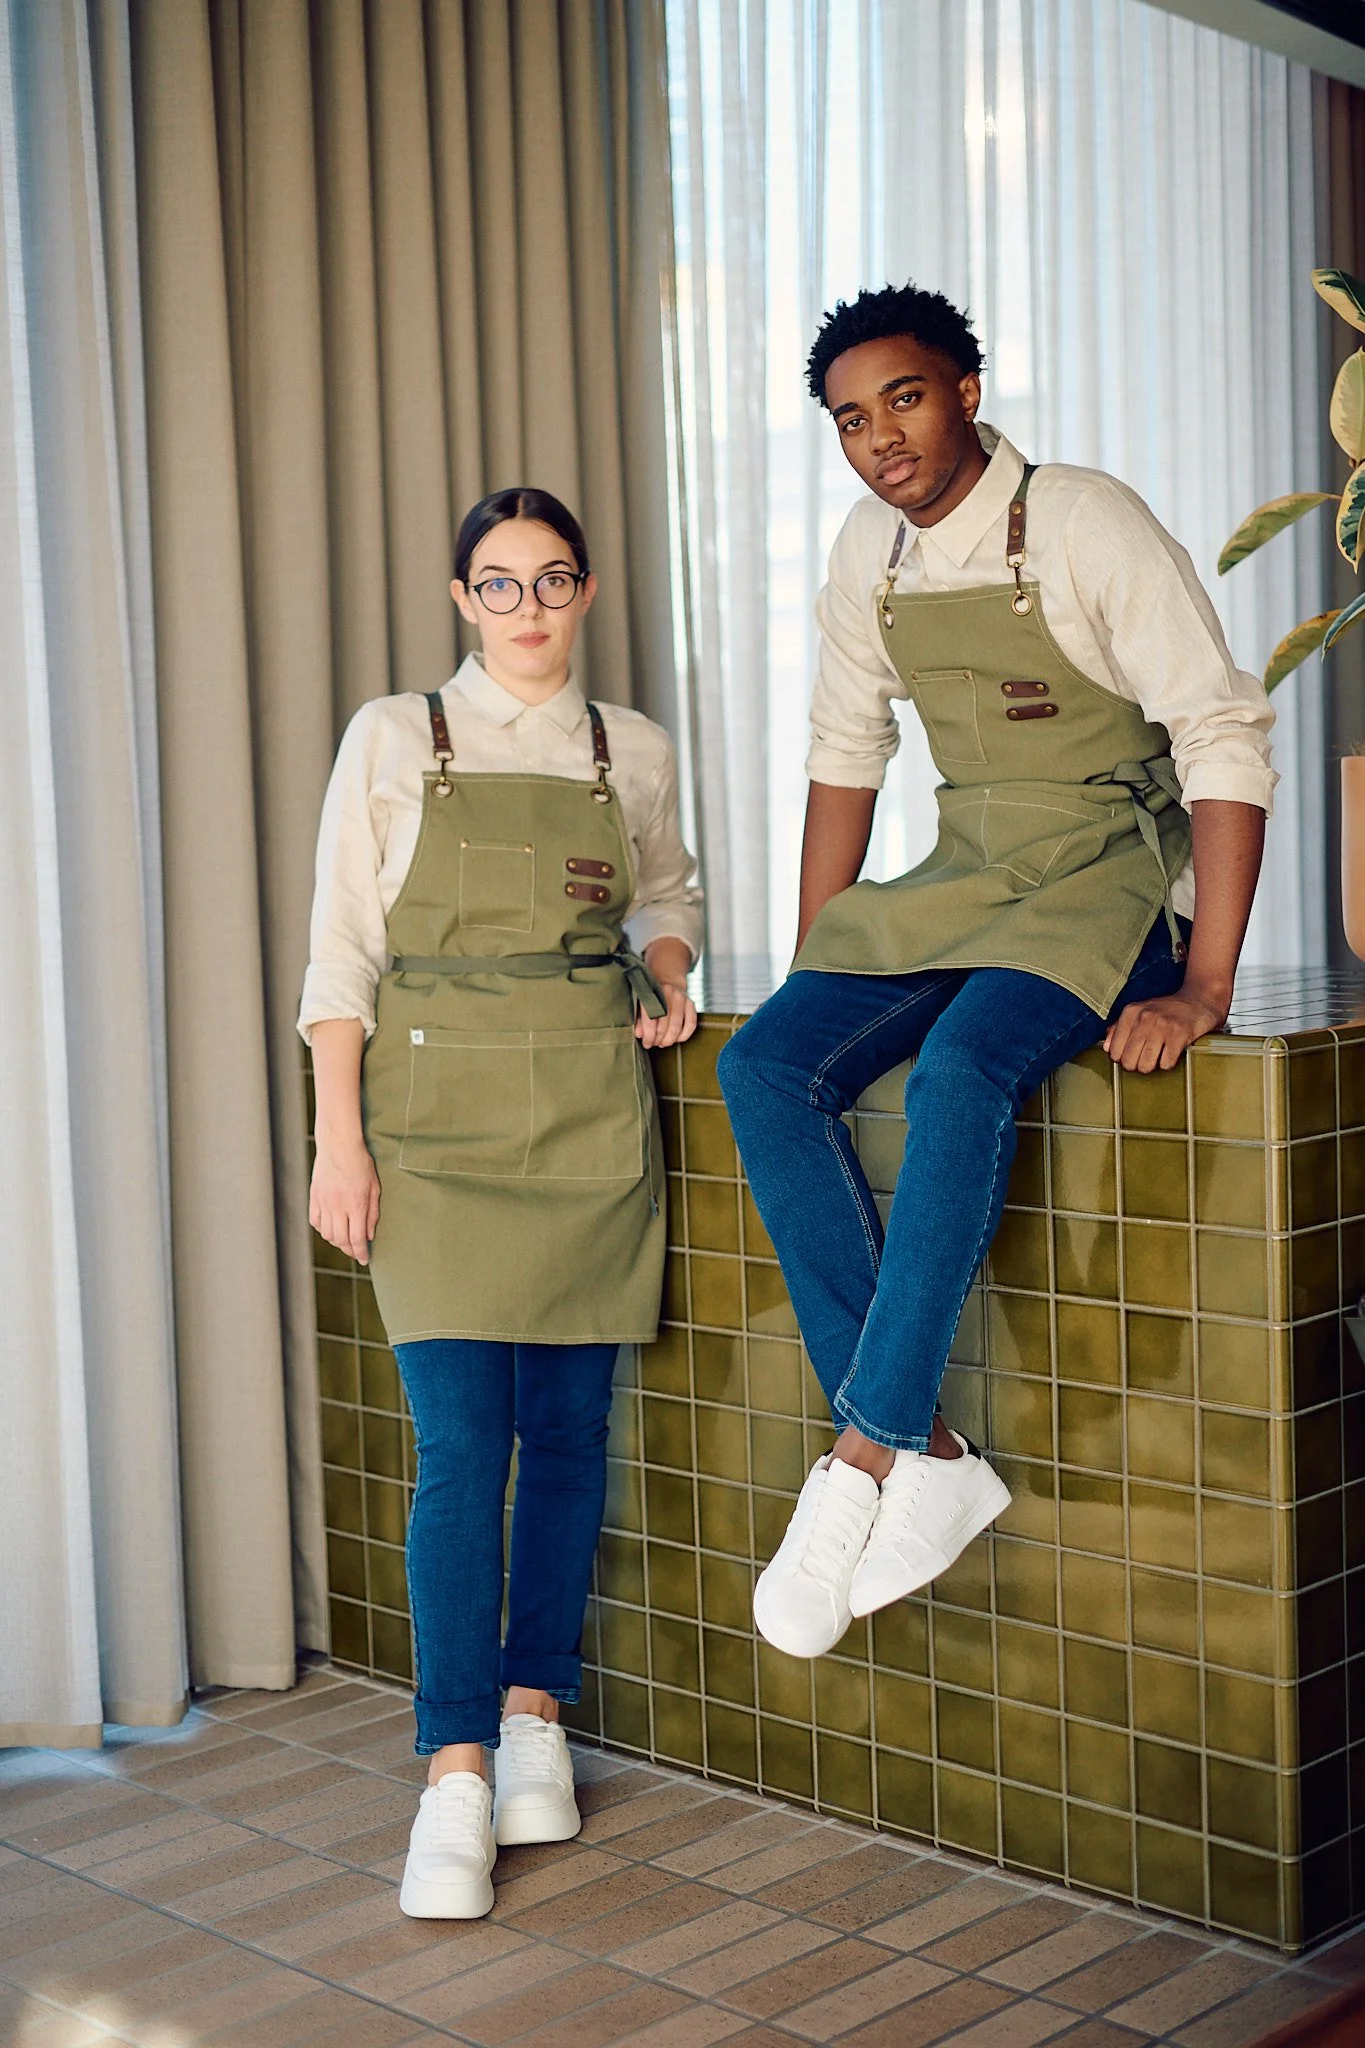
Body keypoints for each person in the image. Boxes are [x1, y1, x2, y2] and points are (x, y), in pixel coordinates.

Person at [718, 283, 1273, 1662]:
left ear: (967, 387)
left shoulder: (1085, 522)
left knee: (966, 1068)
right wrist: (817, 973)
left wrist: (1202, 983)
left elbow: (1219, 734)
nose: (880, 440)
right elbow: (846, 755)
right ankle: (937, 1448)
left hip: (1104, 875)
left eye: (903, 399)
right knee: (762, 1062)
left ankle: (861, 1461)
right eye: (851, 420)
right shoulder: (871, 553)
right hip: (968, 870)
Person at [301, 487, 702, 1918]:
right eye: (498, 585)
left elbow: (667, 894)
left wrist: (667, 971)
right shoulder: (395, 736)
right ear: (464, 598)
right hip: (433, 1133)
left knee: (570, 1435)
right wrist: (338, 1147)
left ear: (585, 592)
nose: (526, 610)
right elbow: (342, 954)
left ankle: (539, 1719)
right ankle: (453, 1780)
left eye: (551, 583)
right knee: (462, 1455)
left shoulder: (631, 750)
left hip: (592, 1118)